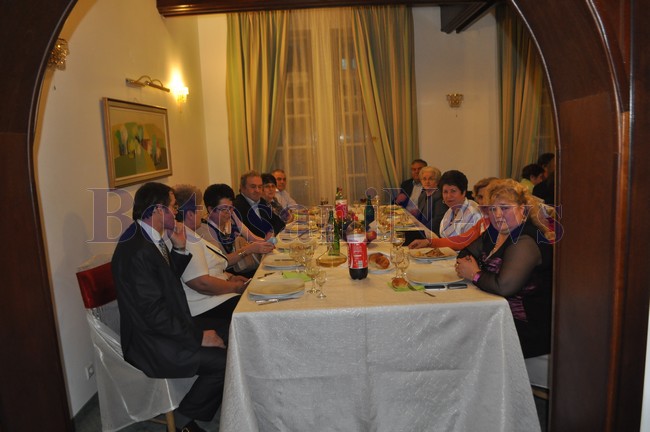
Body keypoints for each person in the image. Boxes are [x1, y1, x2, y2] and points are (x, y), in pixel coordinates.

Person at [111, 182, 225, 432]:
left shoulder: (146, 237)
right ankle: (184, 421)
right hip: (151, 342)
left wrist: (180, 248)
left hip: (165, 328)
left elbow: (164, 282)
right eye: (173, 207)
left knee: (228, 333)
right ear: (157, 210)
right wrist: (198, 337)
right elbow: (152, 314)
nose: (176, 212)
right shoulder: (136, 250)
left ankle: (207, 405)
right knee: (223, 361)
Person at [455, 179, 553, 358]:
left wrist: (475, 274)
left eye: (505, 208)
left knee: (460, 335)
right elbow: (465, 253)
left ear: (522, 209)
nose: (497, 215)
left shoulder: (525, 241)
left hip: (523, 327)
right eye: (492, 209)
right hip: (496, 313)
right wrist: (477, 271)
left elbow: (504, 287)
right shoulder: (496, 231)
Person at [174, 184, 249, 343]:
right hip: (205, 303)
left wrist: (230, 277)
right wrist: (235, 287)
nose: (202, 214)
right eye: (199, 209)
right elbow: (202, 283)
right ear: (190, 214)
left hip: (216, 294)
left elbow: (211, 266)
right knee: (255, 306)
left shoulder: (190, 234)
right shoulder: (186, 239)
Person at [197, 183, 275, 278]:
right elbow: (220, 262)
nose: (228, 212)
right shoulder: (205, 230)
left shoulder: (232, 216)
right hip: (229, 276)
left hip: (245, 269)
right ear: (210, 209)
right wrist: (248, 249)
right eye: (224, 209)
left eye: (231, 207)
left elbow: (251, 237)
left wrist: (267, 242)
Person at [410, 176, 497, 251]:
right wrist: (429, 242)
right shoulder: (484, 221)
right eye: (480, 197)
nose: (484, 201)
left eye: (489, 196)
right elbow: (461, 241)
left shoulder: (500, 223)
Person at [234, 170, 286, 238]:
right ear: (242, 188)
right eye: (253, 187)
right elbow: (254, 232)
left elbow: (280, 223)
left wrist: (271, 232)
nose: (257, 190)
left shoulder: (261, 202)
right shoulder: (236, 206)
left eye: (260, 187)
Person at [438, 170, 482, 239]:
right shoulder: (450, 211)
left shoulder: (473, 214)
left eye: (453, 191)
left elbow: (465, 242)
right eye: (445, 192)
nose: (449, 196)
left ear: (463, 192)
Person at [410, 166, 447, 236]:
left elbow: (437, 221)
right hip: (423, 231)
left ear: (437, 181)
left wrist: (420, 232)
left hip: (433, 234)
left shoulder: (440, 197)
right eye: (424, 179)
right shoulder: (423, 195)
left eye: (431, 179)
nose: (427, 182)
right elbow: (420, 216)